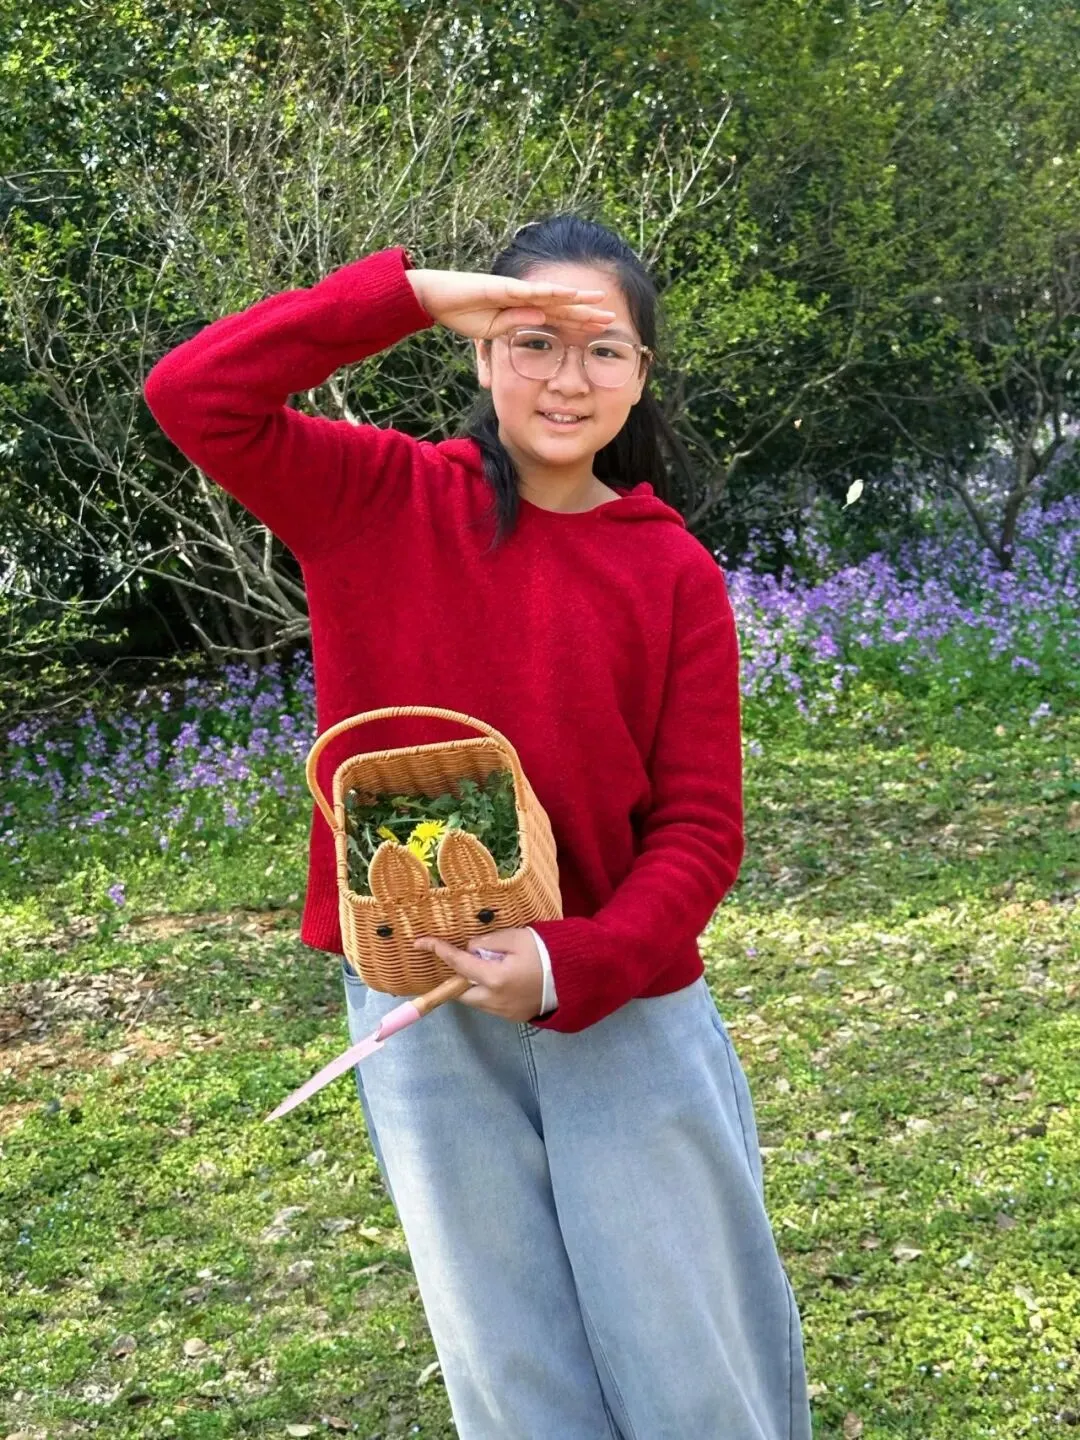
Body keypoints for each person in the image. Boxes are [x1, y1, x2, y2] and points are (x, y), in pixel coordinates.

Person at [143, 214, 812, 1440]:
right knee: (512, 1367)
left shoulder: (670, 572)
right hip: (421, 998)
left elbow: (701, 828)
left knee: (692, 1355)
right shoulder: (377, 499)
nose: (567, 378)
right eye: (532, 339)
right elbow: (194, 394)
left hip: (624, 1004)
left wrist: (569, 963)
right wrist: (411, 293)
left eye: (603, 349)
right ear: (482, 348)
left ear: (642, 375)